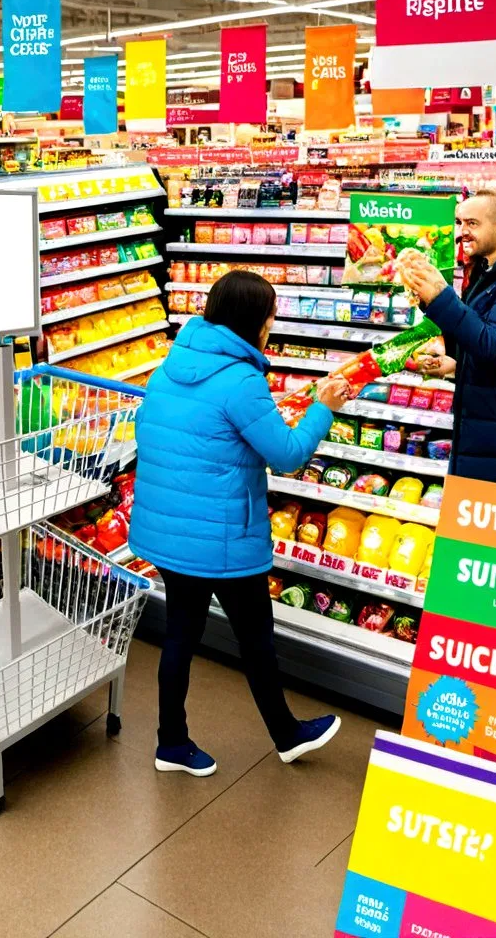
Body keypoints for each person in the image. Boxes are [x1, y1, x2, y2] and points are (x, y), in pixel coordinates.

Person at [128, 270, 351, 777]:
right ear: (255, 321)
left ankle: (171, 743)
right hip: (223, 538)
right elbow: (288, 455)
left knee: (180, 636)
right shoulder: (242, 380)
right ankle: (287, 735)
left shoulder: (171, 365)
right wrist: (324, 408)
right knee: (256, 641)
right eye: (271, 316)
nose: (272, 326)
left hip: (171, 535)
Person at [402, 188, 496, 486]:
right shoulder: (488, 271)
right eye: (460, 223)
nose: (462, 232)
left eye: (472, 223)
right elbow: (482, 341)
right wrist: (456, 364)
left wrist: (441, 297)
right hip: (481, 432)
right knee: (466, 514)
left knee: (489, 516)